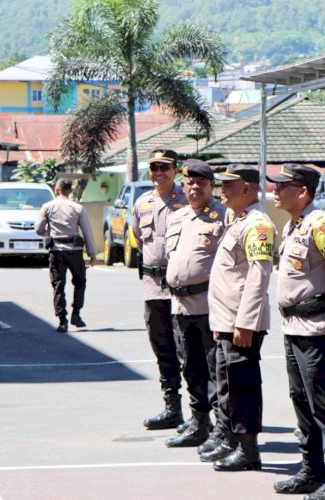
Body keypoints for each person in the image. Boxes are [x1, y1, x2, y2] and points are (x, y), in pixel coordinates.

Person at [268, 164, 325, 498]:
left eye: (281, 186)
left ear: (303, 191)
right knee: (302, 402)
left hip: (319, 329)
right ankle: (312, 470)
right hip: (294, 327)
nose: (274, 191)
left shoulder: (322, 224)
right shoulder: (294, 225)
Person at [202, 164, 274, 472]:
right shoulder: (238, 219)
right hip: (226, 321)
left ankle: (249, 451)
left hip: (240, 324)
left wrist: (244, 323)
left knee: (242, 386)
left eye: (229, 186)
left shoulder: (258, 224)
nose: (222, 191)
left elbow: (258, 276)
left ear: (247, 189)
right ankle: (231, 440)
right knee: (226, 386)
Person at [164, 159, 227, 448]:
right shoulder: (177, 218)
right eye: (190, 182)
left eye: (201, 182)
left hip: (208, 307)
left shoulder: (222, 217)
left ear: (212, 185)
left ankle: (221, 429)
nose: (195, 187)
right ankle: (199, 423)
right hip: (180, 306)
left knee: (215, 372)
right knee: (190, 368)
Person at [133, 149, 188, 430]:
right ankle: (172, 408)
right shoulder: (142, 203)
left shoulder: (188, 200)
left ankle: (199, 413)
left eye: (164, 168)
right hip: (153, 288)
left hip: (183, 290)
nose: (158, 173)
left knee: (188, 351)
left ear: (175, 170)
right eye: (154, 167)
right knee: (162, 349)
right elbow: (141, 242)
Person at [35, 178, 97, 333]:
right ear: (70, 191)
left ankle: (62, 320)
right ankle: (76, 314)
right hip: (75, 252)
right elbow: (87, 231)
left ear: (56, 190)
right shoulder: (78, 208)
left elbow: (38, 229)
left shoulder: (47, 207)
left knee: (58, 285)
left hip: (56, 251)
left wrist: (48, 233)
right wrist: (92, 253)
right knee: (80, 282)